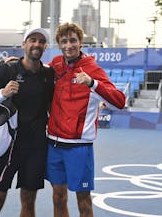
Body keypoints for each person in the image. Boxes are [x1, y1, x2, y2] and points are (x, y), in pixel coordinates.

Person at [46, 22, 126, 217]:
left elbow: (120, 102)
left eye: (73, 40)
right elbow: (35, 69)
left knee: (83, 201)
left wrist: (92, 83)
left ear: (80, 42)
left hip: (79, 147)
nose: (68, 45)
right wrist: (15, 64)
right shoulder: (56, 64)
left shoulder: (92, 69)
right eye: (63, 41)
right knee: (58, 197)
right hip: (53, 144)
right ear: (59, 44)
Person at [0, 28, 54, 217]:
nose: (36, 44)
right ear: (24, 44)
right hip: (7, 146)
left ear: (45, 47)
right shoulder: (7, 69)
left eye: (41, 41)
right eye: (32, 40)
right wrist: (1, 94)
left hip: (36, 146)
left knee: (29, 201)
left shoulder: (48, 75)